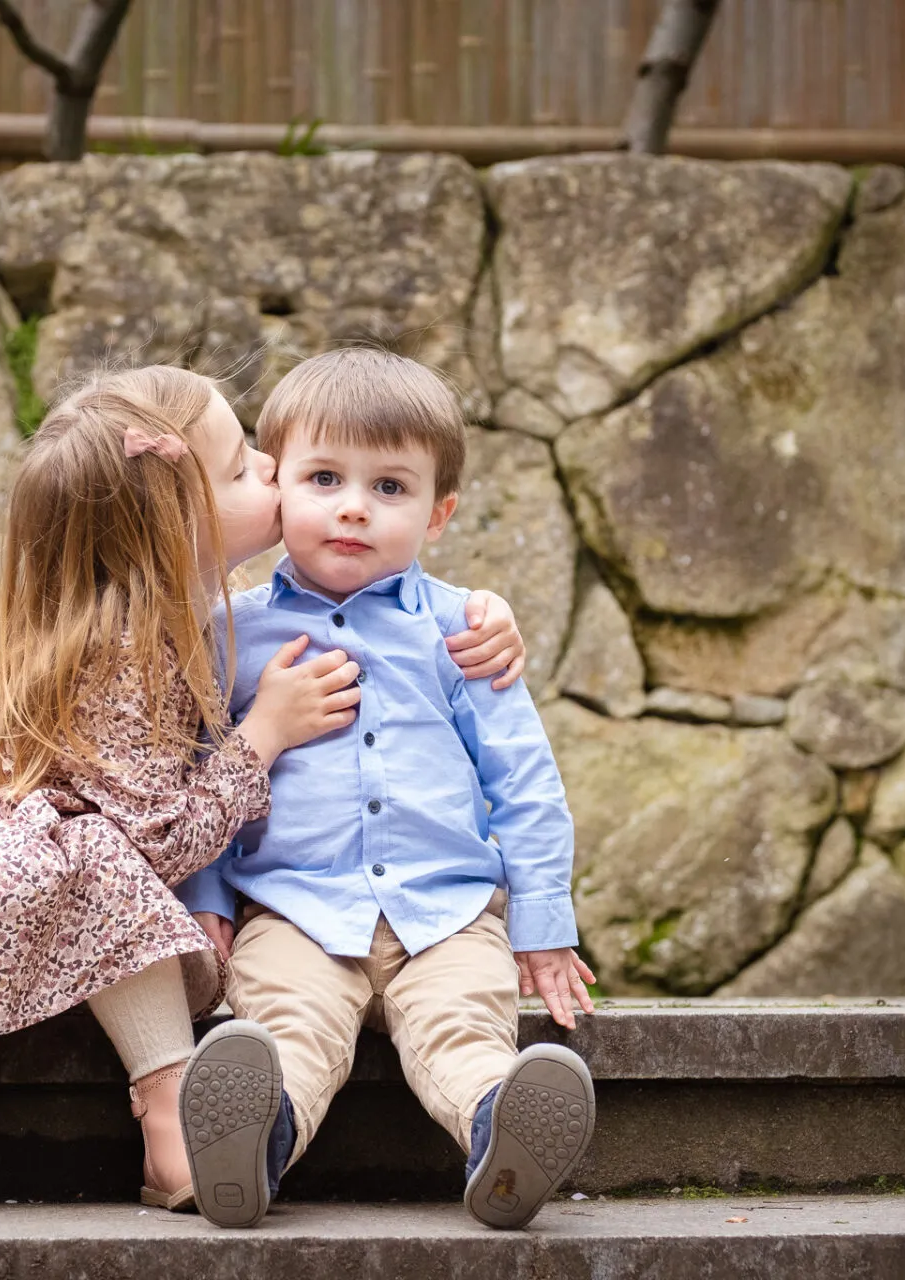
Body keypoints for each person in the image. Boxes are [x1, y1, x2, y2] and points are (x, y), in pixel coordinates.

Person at [0, 364, 528, 1215]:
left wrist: (476, 613)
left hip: (70, 880)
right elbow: (161, 840)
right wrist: (265, 734)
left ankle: (175, 1122)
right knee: (101, 859)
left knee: (98, 865)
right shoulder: (128, 649)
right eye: (239, 469)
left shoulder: (184, 624)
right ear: (173, 527)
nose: (271, 468)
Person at [177, 348, 597, 1231]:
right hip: (292, 908)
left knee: (464, 1029)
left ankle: (501, 1133)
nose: (354, 507)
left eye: (391, 488)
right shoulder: (229, 635)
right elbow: (204, 768)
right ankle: (251, 1146)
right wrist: (207, 897)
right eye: (325, 477)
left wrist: (544, 925)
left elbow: (522, 780)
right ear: (276, 483)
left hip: (446, 912)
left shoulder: (465, 631)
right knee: (286, 1029)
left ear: (440, 511)